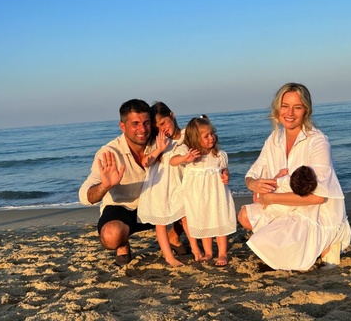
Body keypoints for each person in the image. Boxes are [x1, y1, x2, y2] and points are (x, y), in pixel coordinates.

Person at [238, 83, 351, 271]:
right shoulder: (274, 138)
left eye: (297, 107)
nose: (289, 113)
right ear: (277, 108)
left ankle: (327, 245)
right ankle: (310, 248)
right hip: (285, 204)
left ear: (306, 110)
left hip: (314, 211)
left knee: (273, 244)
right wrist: (254, 185)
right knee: (245, 216)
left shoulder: (317, 141)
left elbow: (318, 197)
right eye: (285, 106)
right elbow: (251, 175)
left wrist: (271, 198)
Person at [79, 99, 156, 266]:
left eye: (146, 123)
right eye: (135, 124)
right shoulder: (109, 153)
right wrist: (105, 186)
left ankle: (172, 237)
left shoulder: (160, 143)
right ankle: (122, 244)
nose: (142, 129)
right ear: (122, 126)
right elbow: (85, 196)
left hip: (156, 205)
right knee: (111, 236)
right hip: (123, 208)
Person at [170, 115, 236, 266]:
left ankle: (223, 253)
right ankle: (208, 252)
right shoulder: (191, 155)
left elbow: (224, 169)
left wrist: (226, 174)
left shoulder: (218, 155)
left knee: (219, 221)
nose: (211, 138)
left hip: (216, 195)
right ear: (195, 138)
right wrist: (185, 158)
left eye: (212, 134)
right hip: (197, 197)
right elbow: (172, 161)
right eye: (206, 136)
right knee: (204, 222)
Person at [137, 102, 188, 267]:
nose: (162, 129)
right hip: (160, 186)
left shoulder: (187, 135)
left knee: (186, 216)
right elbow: (145, 162)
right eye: (157, 127)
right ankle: (169, 257)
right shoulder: (156, 141)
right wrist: (159, 148)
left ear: (172, 115)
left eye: (163, 123)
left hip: (181, 184)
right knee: (161, 222)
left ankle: (196, 250)